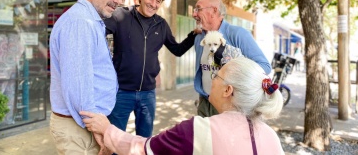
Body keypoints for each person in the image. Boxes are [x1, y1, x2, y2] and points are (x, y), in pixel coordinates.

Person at [80, 57, 285, 155]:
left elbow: (143, 149)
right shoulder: (271, 137)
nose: (211, 79)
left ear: (227, 90)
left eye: (216, 75)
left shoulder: (200, 130)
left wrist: (107, 130)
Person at [49, 0, 129, 154]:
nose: (118, 0)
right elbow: (79, 87)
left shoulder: (90, 20)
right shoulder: (80, 22)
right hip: (81, 129)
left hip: (84, 125)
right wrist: (98, 131)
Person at [103, 0, 201, 138]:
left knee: (145, 141)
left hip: (148, 94)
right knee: (115, 139)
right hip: (121, 91)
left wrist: (194, 35)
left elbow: (177, 50)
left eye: (158, 1)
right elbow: (96, 35)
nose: (153, 4)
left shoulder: (161, 25)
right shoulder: (121, 16)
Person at [192, 0, 272, 117]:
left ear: (214, 11)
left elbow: (264, 66)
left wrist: (234, 69)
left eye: (198, 9)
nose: (194, 14)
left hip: (230, 106)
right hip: (205, 102)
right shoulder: (199, 38)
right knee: (204, 136)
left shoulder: (238, 34)